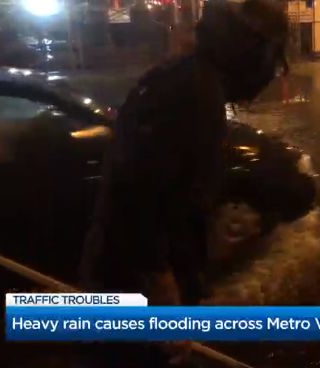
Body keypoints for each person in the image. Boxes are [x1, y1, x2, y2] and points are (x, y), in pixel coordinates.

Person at [80, 0, 288, 307]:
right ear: (253, 50)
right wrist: (163, 289)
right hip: (133, 284)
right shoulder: (195, 93)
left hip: (133, 268)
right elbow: (137, 196)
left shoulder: (190, 78)